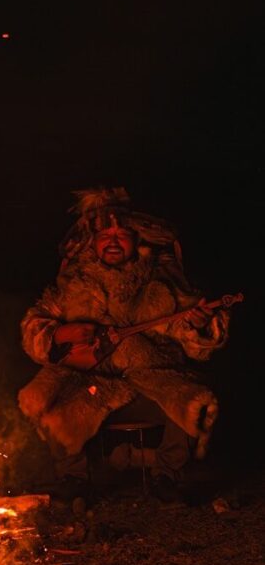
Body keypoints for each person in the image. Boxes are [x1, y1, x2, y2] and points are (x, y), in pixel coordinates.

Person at [18, 188, 231, 500]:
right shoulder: (74, 284)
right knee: (42, 399)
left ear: (136, 240)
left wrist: (197, 324)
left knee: (191, 400)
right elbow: (35, 326)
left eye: (122, 234)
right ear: (94, 241)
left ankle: (166, 476)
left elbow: (190, 334)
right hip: (93, 384)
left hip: (152, 377)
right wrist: (62, 334)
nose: (113, 241)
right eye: (105, 234)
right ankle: (74, 478)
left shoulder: (161, 281)